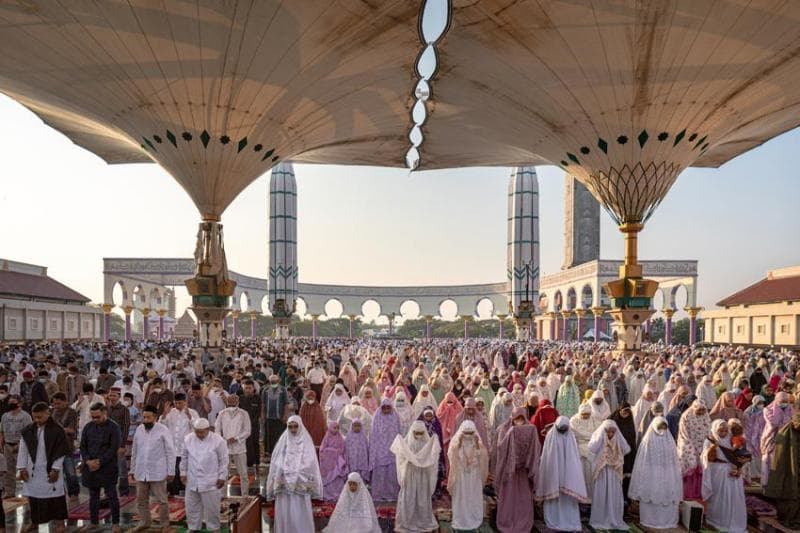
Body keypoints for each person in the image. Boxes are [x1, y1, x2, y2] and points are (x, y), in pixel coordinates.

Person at [16, 402, 70, 533]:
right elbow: (23, 450)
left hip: (51, 469)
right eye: (34, 417)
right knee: (33, 498)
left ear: (48, 413)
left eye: (40, 417)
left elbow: (61, 451)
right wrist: (22, 468)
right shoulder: (28, 430)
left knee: (56, 498)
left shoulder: (57, 430)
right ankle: (35, 522)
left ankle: (60, 523)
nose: (37, 420)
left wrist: (56, 469)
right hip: (32, 470)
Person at [265, 415, 322, 533]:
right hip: (285, 484)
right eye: (290, 427)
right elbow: (277, 459)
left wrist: (297, 471)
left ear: (300, 426)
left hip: (300, 484)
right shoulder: (284, 441)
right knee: (285, 510)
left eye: (295, 426)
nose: (293, 430)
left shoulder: (306, 441)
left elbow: (310, 461)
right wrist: (284, 468)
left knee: (299, 511)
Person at [534, 415, 587, 531]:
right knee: (554, 496)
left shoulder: (571, 436)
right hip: (553, 473)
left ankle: (568, 520)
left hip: (568, 474)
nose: (563, 432)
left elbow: (574, 458)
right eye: (560, 429)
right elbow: (547, 457)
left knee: (568, 499)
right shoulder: (550, 435)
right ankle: (553, 518)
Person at [629, 416, 682, 529]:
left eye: (664, 427)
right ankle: (650, 520)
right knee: (651, 495)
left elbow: (674, 460)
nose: (662, 430)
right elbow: (643, 460)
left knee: (667, 496)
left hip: (667, 473)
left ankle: (668, 520)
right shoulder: (647, 440)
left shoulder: (670, 441)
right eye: (659, 427)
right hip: (651, 473)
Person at [494, 407, 541, 533]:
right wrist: (511, 434)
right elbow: (500, 447)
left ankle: (522, 520)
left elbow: (535, 448)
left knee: (523, 499)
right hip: (509, 473)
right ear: (512, 418)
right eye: (517, 419)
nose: (519, 421)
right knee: (509, 498)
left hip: (523, 473)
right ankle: (507, 520)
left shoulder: (530, 429)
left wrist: (526, 460)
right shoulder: (504, 428)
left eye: (521, 419)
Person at [130, 405, 176, 533]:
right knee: (141, 500)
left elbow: (170, 451)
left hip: (158, 471)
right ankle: (145, 522)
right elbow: (135, 450)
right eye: (144, 417)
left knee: (162, 500)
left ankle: (165, 525)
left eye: (148, 417)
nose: (145, 420)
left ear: (155, 417)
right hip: (141, 470)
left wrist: (171, 471)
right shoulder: (139, 429)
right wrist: (132, 469)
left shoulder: (163, 430)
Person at [390, 420, 441, 533]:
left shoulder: (428, 444)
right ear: (412, 432)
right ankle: (407, 521)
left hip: (422, 475)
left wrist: (421, 460)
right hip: (410, 474)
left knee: (422, 497)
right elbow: (401, 457)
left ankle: (422, 520)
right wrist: (410, 459)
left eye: (421, 433)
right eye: (416, 433)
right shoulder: (406, 443)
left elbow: (432, 459)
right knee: (409, 496)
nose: (418, 435)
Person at [80, 402, 122, 532]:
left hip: (107, 467)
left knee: (111, 495)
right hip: (90, 467)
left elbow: (113, 448)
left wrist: (99, 462)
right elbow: (83, 446)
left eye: (97, 417)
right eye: (93, 417)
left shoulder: (113, 427)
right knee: (93, 496)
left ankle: (115, 523)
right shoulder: (88, 427)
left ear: (105, 413)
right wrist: (87, 461)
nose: (95, 419)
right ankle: (94, 522)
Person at [180, 418, 228, 532]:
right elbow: (184, 458)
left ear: (208, 429)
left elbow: (224, 460)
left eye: (201, 432)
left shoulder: (218, 440)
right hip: (193, 478)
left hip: (211, 480)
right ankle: (193, 527)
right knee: (191, 506)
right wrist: (183, 473)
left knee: (212, 507)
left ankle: (214, 528)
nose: (199, 434)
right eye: (197, 431)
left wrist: (222, 477)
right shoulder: (188, 439)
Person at [702, 419, 747, 533]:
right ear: (715, 430)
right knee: (719, 497)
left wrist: (739, 468)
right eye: (720, 430)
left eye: (725, 430)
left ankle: (734, 521)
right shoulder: (710, 441)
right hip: (717, 473)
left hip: (732, 472)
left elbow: (741, 456)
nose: (723, 433)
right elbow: (705, 458)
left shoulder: (732, 440)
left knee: (734, 498)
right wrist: (710, 451)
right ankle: (717, 520)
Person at [588, 420, 630, 531]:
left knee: (614, 493)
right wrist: (602, 437)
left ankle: (614, 518)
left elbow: (626, 449)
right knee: (601, 492)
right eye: (608, 432)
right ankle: (599, 518)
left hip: (614, 472)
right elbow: (591, 447)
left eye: (613, 432)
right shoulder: (599, 437)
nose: (610, 434)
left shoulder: (618, 439)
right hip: (601, 471)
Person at [447, 420, 488, 531]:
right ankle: (461, 517)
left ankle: (474, 516)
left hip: (474, 476)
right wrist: (459, 443)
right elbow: (451, 456)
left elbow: (483, 458)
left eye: (470, 433)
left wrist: (478, 446)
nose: (468, 435)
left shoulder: (478, 443)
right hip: (461, 476)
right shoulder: (456, 443)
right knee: (461, 496)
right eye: (466, 432)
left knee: (473, 496)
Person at [764, 413, 800, 528]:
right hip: (790, 470)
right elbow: (781, 458)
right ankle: (790, 517)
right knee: (791, 493)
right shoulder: (786, 433)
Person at [160, 392, 198, 495]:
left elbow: (197, 427)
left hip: (186, 447)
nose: (177, 405)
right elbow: (162, 425)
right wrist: (164, 413)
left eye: (180, 403)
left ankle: (185, 490)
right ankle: (172, 491)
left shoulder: (192, 412)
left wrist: (189, 416)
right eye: (176, 403)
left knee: (184, 470)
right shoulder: (171, 412)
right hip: (173, 446)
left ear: (185, 402)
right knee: (173, 469)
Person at [216, 394, 251, 495]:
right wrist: (223, 440)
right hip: (225, 447)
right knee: (223, 473)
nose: (232, 402)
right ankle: (222, 496)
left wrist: (236, 438)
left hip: (239, 447)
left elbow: (247, 431)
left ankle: (245, 495)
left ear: (238, 402)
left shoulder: (244, 414)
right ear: (227, 401)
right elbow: (217, 429)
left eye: (234, 400)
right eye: (230, 400)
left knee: (243, 473)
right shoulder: (222, 413)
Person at [368, 398, 402, 501]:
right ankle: (379, 494)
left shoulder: (395, 417)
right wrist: (374, 450)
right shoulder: (377, 417)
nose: (386, 409)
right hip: (379, 451)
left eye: (388, 407)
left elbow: (399, 433)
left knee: (391, 473)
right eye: (384, 407)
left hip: (392, 450)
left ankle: (392, 494)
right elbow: (373, 435)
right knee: (380, 472)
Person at [677, 399, 710, 500]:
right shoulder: (686, 416)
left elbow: (709, 432)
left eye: (702, 410)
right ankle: (688, 494)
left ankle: (700, 493)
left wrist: (707, 446)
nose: (700, 412)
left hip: (703, 446)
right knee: (691, 467)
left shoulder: (706, 417)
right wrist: (689, 448)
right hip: (689, 445)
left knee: (702, 469)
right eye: (698, 410)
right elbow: (683, 434)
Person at [50, 392, 80, 506]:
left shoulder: (71, 412)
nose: (56, 406)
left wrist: (60, 429)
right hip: (53, 448)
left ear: (65, 402)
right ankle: (58, 493)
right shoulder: (51, 412)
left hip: (67, 447)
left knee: (70, 472)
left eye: (58, 403)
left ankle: (73, 493)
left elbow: (72, 430)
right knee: (55, 472)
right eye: (54, 404)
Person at [0, 395, 31, 497]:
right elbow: (2, 431)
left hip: (20, 445)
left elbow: (29, 432)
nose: (11, 404)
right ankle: (9, 492)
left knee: (24, 469)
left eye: (13, 402)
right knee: (8, 470)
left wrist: (23, 445)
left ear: (19, 403)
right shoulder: (5, 416)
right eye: (10, 402)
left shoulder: (25, 416)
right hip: (8, 444)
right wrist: (1, 443)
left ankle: (28, 491)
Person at [106, 387, 131, 496]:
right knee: (108, 467)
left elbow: (126, 427)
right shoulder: (107, 409)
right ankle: (109, 490)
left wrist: (122, 444)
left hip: (119, 442)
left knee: (121, 468)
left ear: (119, 397)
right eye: (110, 395)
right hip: (107, 443)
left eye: (114, 395)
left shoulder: (124, 409)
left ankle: (124, 491)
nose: (112, 398)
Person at [262, 374, 290, 457]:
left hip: (279, 417)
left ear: (278, 381)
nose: (273, 383)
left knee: (279, 435)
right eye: (272, 382)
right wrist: (262, 415)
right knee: (268, 436)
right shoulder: (265, 390)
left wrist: (285, 416)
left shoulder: (283, 390)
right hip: (268, 416)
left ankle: (280, 452)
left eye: (275, 381)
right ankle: (269, 453)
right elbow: (263, 404)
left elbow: (286, 404)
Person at [319, 421, 348, 501]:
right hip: (328, 462)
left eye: (337, 428)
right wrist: (330, 451)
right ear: (330, 428)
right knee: (329, 478)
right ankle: (328, 494)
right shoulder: (327, 437)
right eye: (334, 428)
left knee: (337, 478)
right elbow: (322, 449)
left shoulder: (340, 437)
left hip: (337, 462)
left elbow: (342, 449)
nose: (336, 430)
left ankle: (338, 494)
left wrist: (335, 452)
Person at [238, 379, 261, 471]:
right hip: (242, 427)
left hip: (254, 426)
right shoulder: (241, 398)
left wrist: (251, 424)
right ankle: (247, 464)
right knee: (245, 445)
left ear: (253, 388)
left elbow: (259, 412)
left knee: (255, 444)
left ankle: (257, 463)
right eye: (246, 388)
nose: (247, 390)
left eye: (249, 388)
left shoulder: (257, 398)